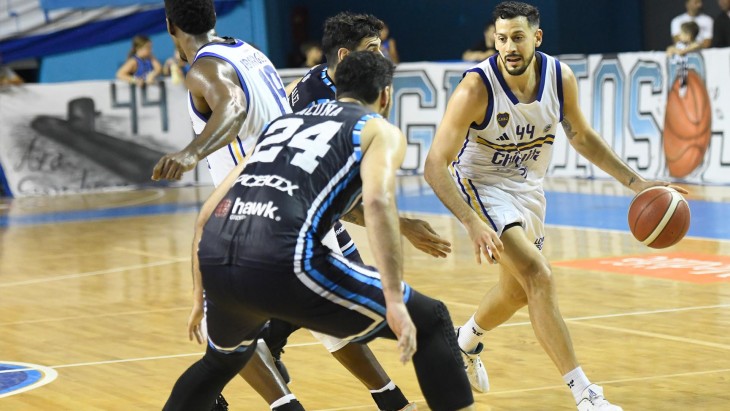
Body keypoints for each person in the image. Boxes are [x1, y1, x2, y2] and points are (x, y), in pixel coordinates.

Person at [162, 50, 475, 411]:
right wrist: (393, 298)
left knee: (221, 361)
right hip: (281, 257)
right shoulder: (376, 129)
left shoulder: (282, 124)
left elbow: (207, 213)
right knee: (430, 319)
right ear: (386, 95)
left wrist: (200, 298)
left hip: (218, 256)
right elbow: (377, 204)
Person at [424, 2, 689, 410]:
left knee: (517, 291)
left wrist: (637, 183)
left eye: (517, 38)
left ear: (537, 37)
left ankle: (465, 341)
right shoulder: (476, 89)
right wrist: (472, 222)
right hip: (482, 186)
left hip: (529, 189)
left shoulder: (559, 78)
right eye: (501, 39)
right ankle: (586, 394)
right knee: (538, 275)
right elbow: (434, 165)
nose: (509, 47)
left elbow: (581, 136)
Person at [274, 11, 453, 411]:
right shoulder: (334, 104)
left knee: (330, 304)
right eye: (373, 49)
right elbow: (344, 196)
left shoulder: (318, 80)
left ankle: (267, 341)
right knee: (352, 309)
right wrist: (402, 225)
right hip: (302, 215)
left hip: (298, 210)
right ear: (344, 55)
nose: (382, 57)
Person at [151, 0, 304, 409]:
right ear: (214, 18)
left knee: (220, 328)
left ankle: (281, 398)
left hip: (253, 206)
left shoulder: (203, 69)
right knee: (241, 322)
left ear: (170, 26)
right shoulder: (250, 52)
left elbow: (232, 107)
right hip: (297, 194)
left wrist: (191, 152)